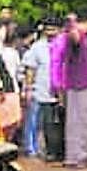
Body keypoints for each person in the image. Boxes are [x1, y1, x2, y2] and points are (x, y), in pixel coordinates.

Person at [51, 9, 87, 169]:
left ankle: (83, 155)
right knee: (79, 121)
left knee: (84, 121)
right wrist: (71, 23)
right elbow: (74, 36)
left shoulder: (83, 37)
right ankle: (77, 157)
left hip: (84, 82)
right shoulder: (73, 35)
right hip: (78, 84)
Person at [22, 17, 63, 161]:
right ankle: (31, 149)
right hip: (40, 90)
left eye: (54, 29)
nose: (51, 32)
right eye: (48, 29)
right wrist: (28, 88)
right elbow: (30, 69)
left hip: (59, 92)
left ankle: (54, 150)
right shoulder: (37, 47)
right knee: (34, 121)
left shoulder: (64, 45)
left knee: (53, 124)